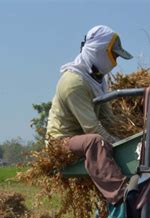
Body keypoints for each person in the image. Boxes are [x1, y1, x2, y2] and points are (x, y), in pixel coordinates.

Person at [46, 25, 135, 205]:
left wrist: (131, 141)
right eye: (114, 55)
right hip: (62, 142)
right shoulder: (74, 82)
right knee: (96, 140)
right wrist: (118, 145)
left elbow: (109, 119)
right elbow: (92, 127)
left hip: (83, 140)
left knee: (100, 140)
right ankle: (123, 196)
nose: (115, 61)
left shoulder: (97, 81)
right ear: (99, 50)